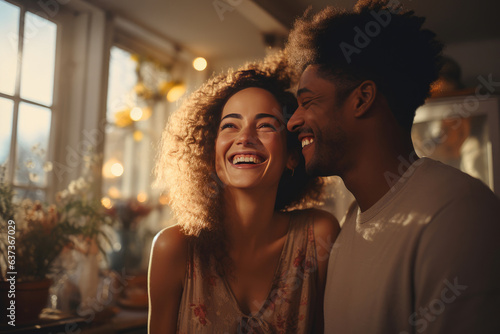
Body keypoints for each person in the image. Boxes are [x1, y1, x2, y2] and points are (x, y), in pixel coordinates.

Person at [285, 0, 500, 333]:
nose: (293, 121)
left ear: (362, 98)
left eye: (308, 102)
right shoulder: (349, 225)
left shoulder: (457, 211)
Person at [148, 55, 340, 333]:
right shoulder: (174, 249)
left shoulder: (318, 235)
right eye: (230, 125)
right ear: (209, 153)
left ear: (291, 156)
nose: (245, 137)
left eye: (265, 125)